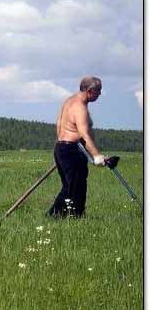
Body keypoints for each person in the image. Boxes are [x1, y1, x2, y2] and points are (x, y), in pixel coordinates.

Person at [47, 76, 106, 218]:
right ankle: (56, 215)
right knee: (74, 187)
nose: (100, 94)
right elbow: (85, 134)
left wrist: (62, 144)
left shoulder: (69, 101)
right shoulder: (80, 108)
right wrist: (97, 156)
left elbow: (59, 124)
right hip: (71, 150)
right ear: (90, 91)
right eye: (98, 91)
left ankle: (69, 216)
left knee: (71, 186)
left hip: (62, 148)